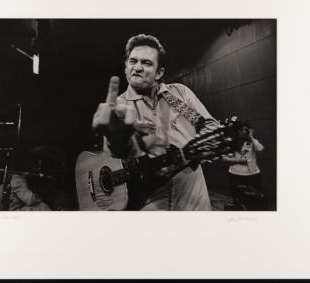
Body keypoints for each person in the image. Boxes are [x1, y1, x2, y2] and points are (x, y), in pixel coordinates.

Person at [92, 34, 219, 210]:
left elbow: (210, 127)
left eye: (146, 63)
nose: (137, 67)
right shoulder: (119, 108)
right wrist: (116, 141)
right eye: (132, 61)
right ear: (126, 67)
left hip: (194, 204)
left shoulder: (178, 96)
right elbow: (116, 151)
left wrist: (192, 151)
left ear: (159, 73)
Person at [222, 122, 266, 210]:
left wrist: (251, 137)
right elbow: (224, 158)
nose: (244, 132)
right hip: (236, 174)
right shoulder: (232, 142)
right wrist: (238, 160)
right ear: (237, 131)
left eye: (246, 130)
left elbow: (260, 148)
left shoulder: (252, 141)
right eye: (242, 130)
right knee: (239, 201)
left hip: (252, 174)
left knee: (256, 200)